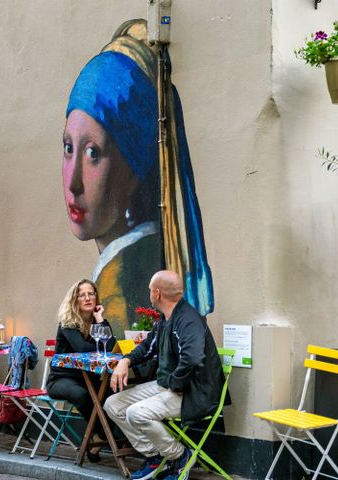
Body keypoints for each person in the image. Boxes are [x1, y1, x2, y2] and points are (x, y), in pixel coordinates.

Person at [63, 19, 213, 330]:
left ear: (132, 169)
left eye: (93, 153)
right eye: (68, 148)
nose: (73, 182)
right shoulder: (137, 263)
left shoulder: (122, 285)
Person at [104, 270, 227, 480]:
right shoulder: (165, 319)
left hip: (193, 393)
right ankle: (154, 455)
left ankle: (180, 456)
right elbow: (147, 348)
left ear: (157, 293)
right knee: (112, 405)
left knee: (136, 413)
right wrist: (125, 361)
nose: (149, 294)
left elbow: (193, 359)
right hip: (169, 385)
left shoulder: (188, 320)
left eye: (150, 290)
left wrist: (174, 383)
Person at [46, 279, 117, 463]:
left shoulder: (96, 320)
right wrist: (101, 341)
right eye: (82, 294)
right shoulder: (68, 322)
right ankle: (109, 438)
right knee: (83, 396)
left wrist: (101, 319)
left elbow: (110, 345)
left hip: (88, 377)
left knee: (112, 392)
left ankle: (100, 439)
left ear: (96, 297)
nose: (87, 298)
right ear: (75, 299)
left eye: (91, 294)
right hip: (62, 379)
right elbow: (82, 348)